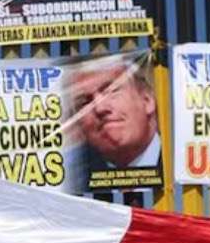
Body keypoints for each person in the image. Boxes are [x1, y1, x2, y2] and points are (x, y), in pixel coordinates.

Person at [69, 57, 161, 192]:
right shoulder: (73, 183)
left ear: (147, 100)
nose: (100, 108)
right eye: (85, 102)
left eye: (111, 91)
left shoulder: (180, 165)